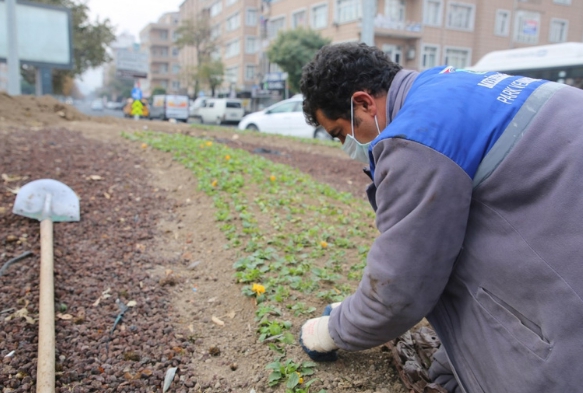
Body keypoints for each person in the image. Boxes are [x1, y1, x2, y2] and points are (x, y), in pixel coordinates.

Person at [298, 42, 583, 393]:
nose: (349, 143)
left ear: (364, 103)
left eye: (342, 133)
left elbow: (401, 286)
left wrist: (334, 329)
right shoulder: (447, 82)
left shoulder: (417, 138)